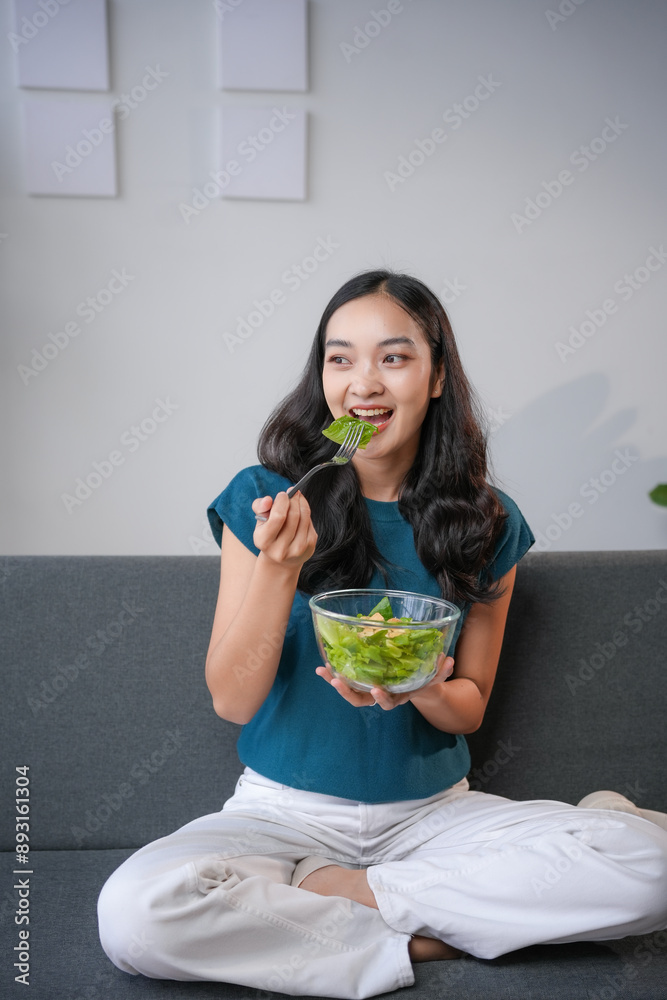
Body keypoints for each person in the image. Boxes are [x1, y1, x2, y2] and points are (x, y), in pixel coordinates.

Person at [97, 270, 667, 998]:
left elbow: (468, 707)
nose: (362, 383)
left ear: (435, 377)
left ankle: (352, 897)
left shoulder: (484, 521)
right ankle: (431, 935)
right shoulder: (264, 498)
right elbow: (232, 702)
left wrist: (424, 683)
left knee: (650, 867)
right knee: (135, 917)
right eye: (340, 359)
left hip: (433, 815)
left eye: (392, 358)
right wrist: (279, 571)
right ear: (323, 377)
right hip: (281, 815)